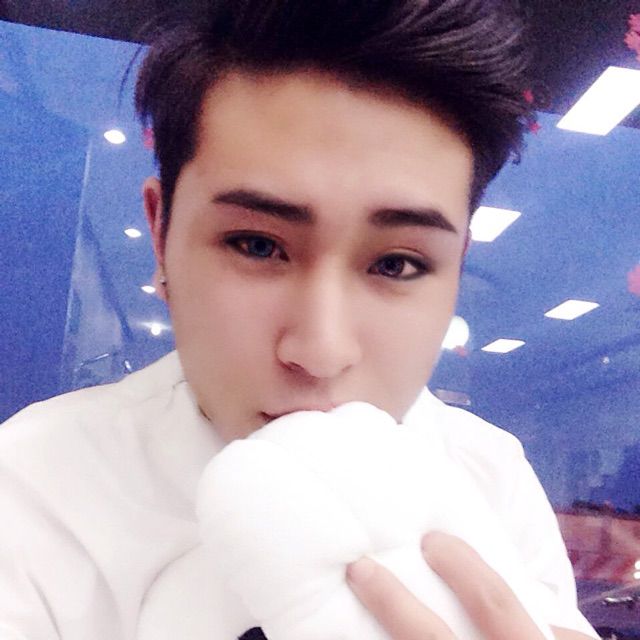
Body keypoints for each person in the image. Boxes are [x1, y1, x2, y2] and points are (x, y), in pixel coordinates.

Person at [0, 0, 599, 638]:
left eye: (397, 264)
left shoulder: (488, 475)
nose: (320, 350)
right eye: (257, 245)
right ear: (160, 232)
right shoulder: (36, 493)